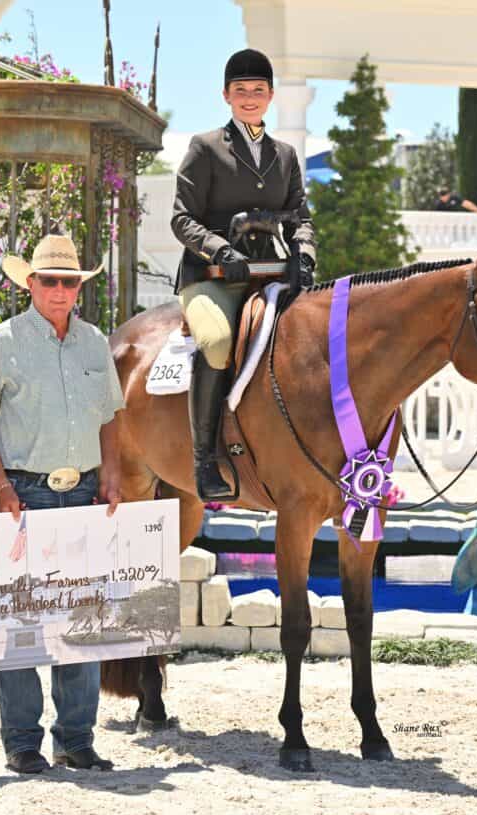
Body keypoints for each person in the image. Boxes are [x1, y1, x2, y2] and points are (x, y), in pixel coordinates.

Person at [0, 234, 124, 775]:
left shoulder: (95, 342)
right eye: (49, 280)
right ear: (29, 284)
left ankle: (76, 739)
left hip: (84, 492)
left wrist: (113, 475)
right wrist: (1, 487)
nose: (59, 289)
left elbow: (111, 416)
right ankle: (22, 742)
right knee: (21, 625)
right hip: (21, 496)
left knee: (83, 619)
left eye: (69, 281)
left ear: (79, 287)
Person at [170, 47, 316, 501]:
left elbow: (300, 218)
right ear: (226, 96)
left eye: (257, 91)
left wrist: (304, 252)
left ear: (271, 96)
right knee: (216, 342)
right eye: (240, 91)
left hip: (269, 272)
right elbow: (182, 218)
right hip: (212, 276)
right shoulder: (206, 147)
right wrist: (218, 247)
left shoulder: (285, 155)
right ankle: (204, 459)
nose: (249, 98)